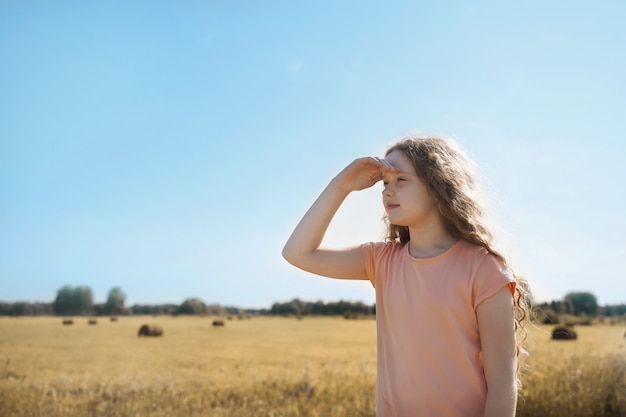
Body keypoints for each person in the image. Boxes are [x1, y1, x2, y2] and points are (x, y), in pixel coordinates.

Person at [282, 135, 529, 417]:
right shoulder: (383, 261)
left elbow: (502, 381)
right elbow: (297, 253)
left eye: (401, 180)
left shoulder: (484, 269)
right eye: (384, 182)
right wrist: (343, 185)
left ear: (438, 186)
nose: (387, 191)